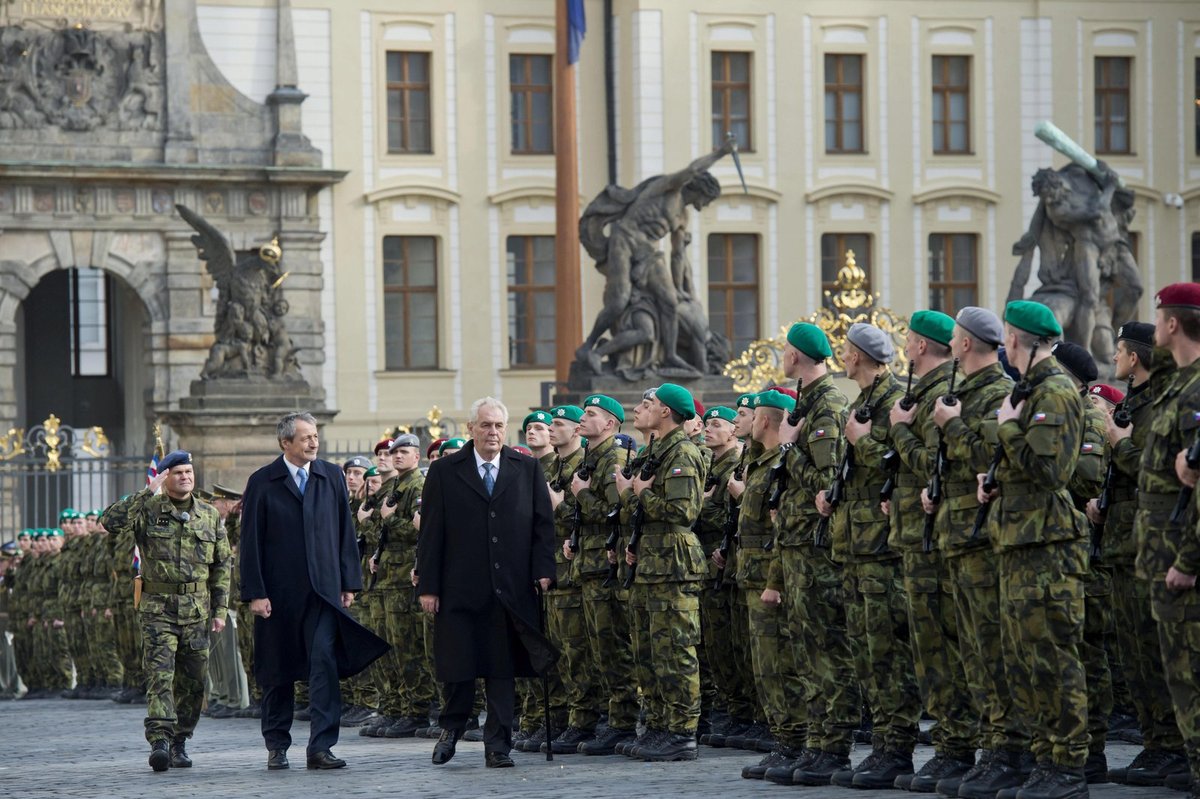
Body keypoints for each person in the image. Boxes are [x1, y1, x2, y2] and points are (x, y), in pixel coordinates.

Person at [239, 412, 390, 771]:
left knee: (324, 664)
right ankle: (277, 745)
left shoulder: (329, 475)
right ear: (285, 443)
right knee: (277, 672)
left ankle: (321, 746)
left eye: (315, 435)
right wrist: (256, 593)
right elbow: (251, 543)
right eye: (305, 437)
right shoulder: (263, 481)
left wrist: (348, 582)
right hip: (277, 596)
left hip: (322, 594)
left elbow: (343, 530)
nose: (313, 442)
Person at [416, 396, 557, 769]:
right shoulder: (445, 471)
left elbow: (543, 525)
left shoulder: (525, 468)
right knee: (459, 668)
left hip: (510, 588)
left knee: (501, 670)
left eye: (498, 426)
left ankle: (499, 745)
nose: (492, 432)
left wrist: (544, 569)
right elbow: (431, 533)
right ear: (471, 429)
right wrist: (428, 586)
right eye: (485, 425)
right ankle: (451, 729)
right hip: (460, 586)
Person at [100, 450, 231, 772]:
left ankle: (180, 741)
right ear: (165, 477)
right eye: (178, 472)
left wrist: (220, 608)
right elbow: (110, 522)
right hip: (158, 610)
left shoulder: (208, 514)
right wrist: (147, 490)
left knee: (194, 681)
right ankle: (159, 738)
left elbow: (221, 564)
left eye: (189, 471)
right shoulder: (147, 509)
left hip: (197, 611)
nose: (185, 477)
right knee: (160, 676)